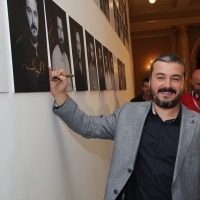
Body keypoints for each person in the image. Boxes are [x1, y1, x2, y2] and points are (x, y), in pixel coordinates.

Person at [49, 53, 200, 200]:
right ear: (150, 80)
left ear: (183, 83)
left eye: (175, 78)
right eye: (160, 77)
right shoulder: (128, 114)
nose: (167, 85)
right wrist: (60, 95)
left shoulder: (197, 125)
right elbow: (88, 126)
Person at [13, 0, 49, 92]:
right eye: (29, 12)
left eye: (35, 13)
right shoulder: (18, 47)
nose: (33, 20)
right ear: (25, 14)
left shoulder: (45, 49)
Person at [52, 10, 72, 91]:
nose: (60, 35)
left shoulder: (65, 54)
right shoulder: (55, 54)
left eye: (62, 30)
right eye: (58, 29)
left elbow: (69, 79)